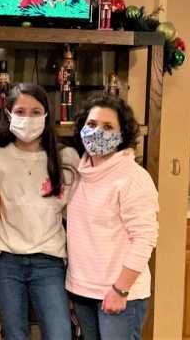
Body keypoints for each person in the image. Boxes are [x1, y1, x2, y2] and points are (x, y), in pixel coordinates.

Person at [0, 83, 80, 340]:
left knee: (59, 333)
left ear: (47, 115)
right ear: (8, 114)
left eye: (36, 112)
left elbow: (74, 216)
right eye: (21, 111)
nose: (28, 118)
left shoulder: (66, 157)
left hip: (49, 261)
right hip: (6, 260)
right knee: (15, 334)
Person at [66, 94, 159, 340]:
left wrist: (120, 289)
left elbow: (144, 238)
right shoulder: (82, 174)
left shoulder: (133, 177)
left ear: (122, 135)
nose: (97, 132)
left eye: (108, 127)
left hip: (119, 293)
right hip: (83, 290)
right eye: (92, 124)